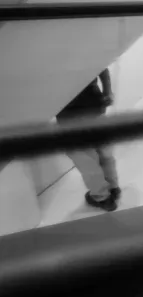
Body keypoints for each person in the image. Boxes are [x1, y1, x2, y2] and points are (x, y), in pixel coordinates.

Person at [57, 69, 121, 212]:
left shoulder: (44, 58)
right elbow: (102, 68)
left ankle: (102, 197)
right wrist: (107, 92)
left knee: (86, 160)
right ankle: (113, 187)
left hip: (70, 117)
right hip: (95, 106)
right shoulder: (81, 48)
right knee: (104, 152)